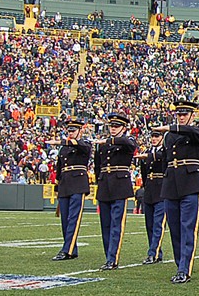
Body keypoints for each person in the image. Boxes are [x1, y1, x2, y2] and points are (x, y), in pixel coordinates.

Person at [155, 98, 199, 284]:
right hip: (172, 182)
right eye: (178, 114)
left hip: (190, 181)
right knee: (174, 227)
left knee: (188, 226)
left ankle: (184, 268)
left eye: (184, 114)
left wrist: (174, 128)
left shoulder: (198, 131)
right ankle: (180, 263)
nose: (180, 117)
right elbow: (166, 160)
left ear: (192, 116)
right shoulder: (169, 136)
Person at [92, 112, 137, 270]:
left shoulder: (127, 141)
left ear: (124, 128)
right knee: (105, 224)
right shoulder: (103, 145)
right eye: (111, 126)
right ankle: (108, 255)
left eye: (116, 126)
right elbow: (98, 166)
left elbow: (130, 145)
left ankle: (113, 258)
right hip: (105, 184)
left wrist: (109, 140)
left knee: (116, 223)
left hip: (119, 184)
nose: (113, 129)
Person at [50, 119, 92, 261]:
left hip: (78, 183)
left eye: (73, 131)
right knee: (65, 219)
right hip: (65, 184)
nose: (71, 133)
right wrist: (57, 185)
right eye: (69, 131)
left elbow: (83, 148)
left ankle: (67, 249)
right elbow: (59, 167)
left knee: (73, 218)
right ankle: (71, 249)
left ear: (80, 131)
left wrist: (62, 142)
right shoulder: (64, 148)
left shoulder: (84, 144)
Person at [138, 129, 167, 265]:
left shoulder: (165, 151)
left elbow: (163, 159)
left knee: (158, 224)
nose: (154, 139)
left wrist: (150, 156)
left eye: (157, 136)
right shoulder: (149, 152)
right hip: (149, 190)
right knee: (149, 224)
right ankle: (156, 251)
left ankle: (153, 253)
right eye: (152, 136)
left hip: (161, 189)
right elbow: (144, 173)